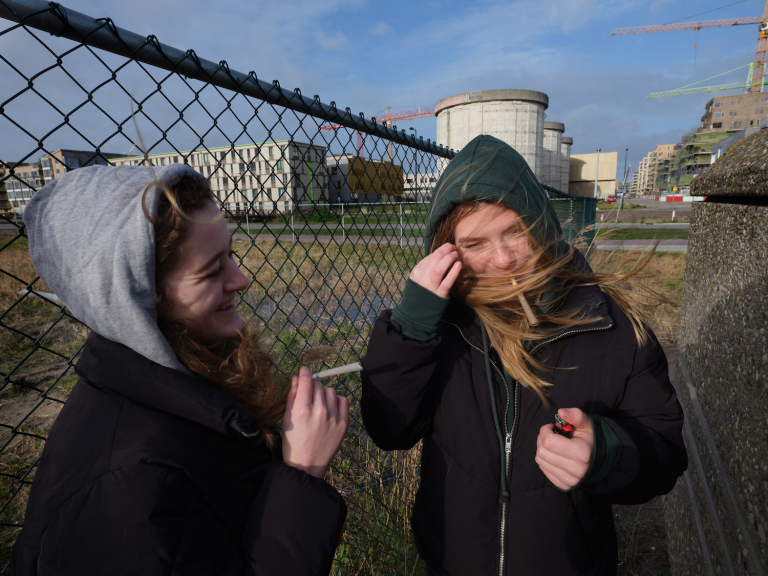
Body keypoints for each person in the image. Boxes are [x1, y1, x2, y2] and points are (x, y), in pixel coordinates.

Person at [360, 135, 687, 576]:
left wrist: (607, 452)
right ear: (447, 250)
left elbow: (664, 452)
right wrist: (410, 327)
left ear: (542, 223)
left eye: (516, 230)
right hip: (452, 559)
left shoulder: (608, 325)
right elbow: (390, 430)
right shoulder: (440, 329)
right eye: (475, 244)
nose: (504, 258)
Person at [10, 164, 348, 575]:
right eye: (211, 271)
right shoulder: (128, 487)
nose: (241, 280)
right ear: (141, 300)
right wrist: (302, 474)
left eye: (231, 255)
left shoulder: (184, 379)